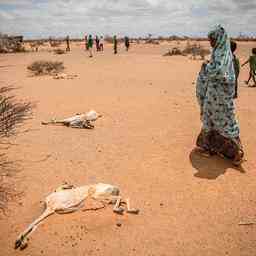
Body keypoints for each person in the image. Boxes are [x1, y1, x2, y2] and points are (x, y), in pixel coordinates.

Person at [195, 25, 244, 166]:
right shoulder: (220, 52)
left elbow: (219, 71)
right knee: (215, 119)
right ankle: (212, 147)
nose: (210, 43)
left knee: (221, 120)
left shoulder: (222, 54)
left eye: (212, 39)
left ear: (219, 39)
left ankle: (235, 152)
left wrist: (206, 66)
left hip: (219, 97)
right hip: (215, 96)